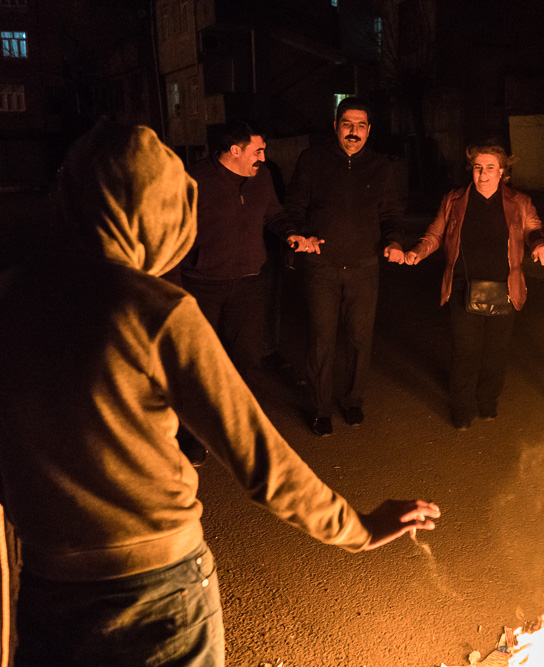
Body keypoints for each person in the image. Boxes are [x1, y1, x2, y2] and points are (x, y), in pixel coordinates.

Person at [0, 121, 440, 666]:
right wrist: (360, 529)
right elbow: (262, 461)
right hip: (159, 591)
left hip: (45, 585)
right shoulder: (155, 311)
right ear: (159, 208)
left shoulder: (13, 296)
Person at [404, 142, 544, 429]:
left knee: (496, 351)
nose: (483, 174)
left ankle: (488, 401)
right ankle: (462, 407)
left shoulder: (519, 201)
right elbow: (436, 232)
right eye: (477, 168)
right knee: (465, 350)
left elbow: (534, 228)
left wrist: (542, 243)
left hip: (506, 287)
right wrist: (418, 252)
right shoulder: (455, 199)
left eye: (489, 168)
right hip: (462, 285)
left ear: (503, 172)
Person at [285, 97, 405, 435]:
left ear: (369, 130)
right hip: (322, 267)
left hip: (365, 267)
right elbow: (294, 206)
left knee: (359, 338)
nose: (354, 132)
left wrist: (393, 240)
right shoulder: (312, 160)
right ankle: (321, 408)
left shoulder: (380, 167)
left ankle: (353, 401)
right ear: (335, 126)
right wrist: (300, 235)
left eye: (361, 125)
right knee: (321, 339)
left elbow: (391, 214)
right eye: (347, 124)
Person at [182, 120, 323, 375]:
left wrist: (293, 235)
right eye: (257, 151)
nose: (263, 157)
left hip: (248, 282)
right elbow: (173, 227)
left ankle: (240, 411)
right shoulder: (194, 179)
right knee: (200, 358)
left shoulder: (262, 177)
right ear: (235, 150)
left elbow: (274, 214)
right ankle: (196, 413)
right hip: (203, 285)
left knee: (246, 357)